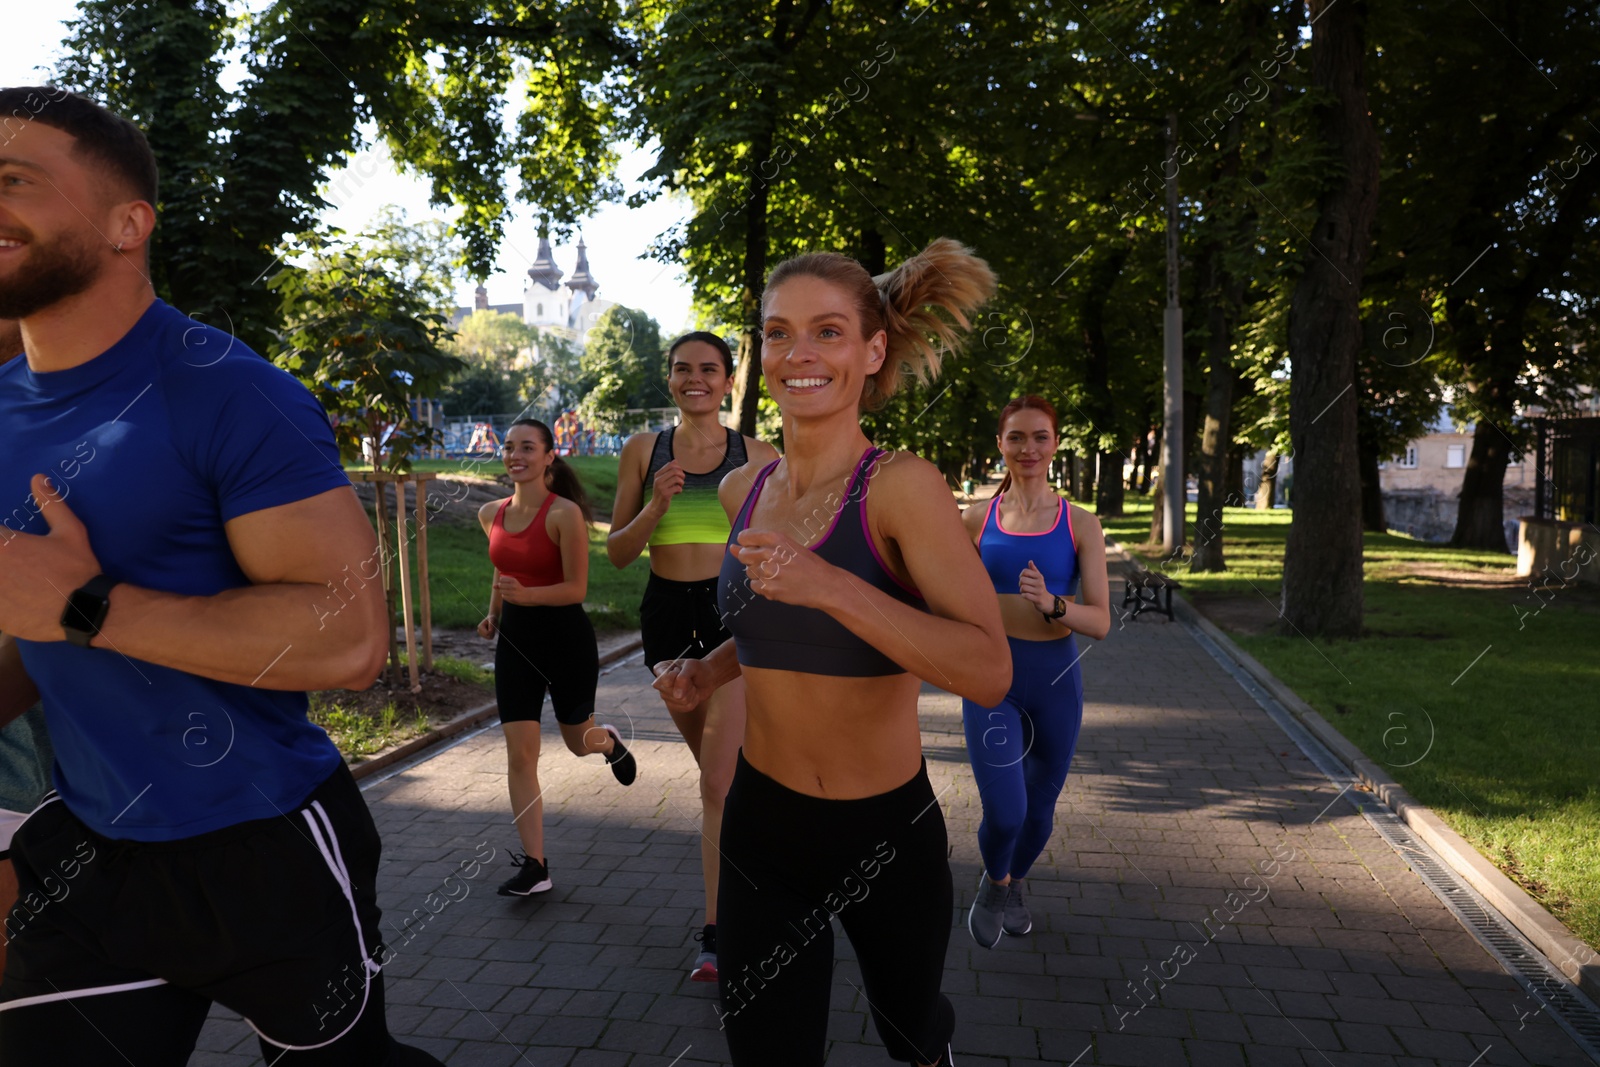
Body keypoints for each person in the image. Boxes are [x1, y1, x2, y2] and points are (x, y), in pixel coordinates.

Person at [0, 88, 444, 1064]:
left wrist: (86, 604)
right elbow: (22, 637)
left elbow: (349, 636)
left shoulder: (228, 391)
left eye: (14, 181)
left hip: (265, 841)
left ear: (128, 223)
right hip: (91, 846)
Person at [653, 239, 1010, 1066]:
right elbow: (766, 625)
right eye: (779, 334)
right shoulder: (745, 488)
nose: (799, 354)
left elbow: (988, 667)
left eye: (828, 332)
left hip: (884, 830)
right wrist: (707, 670)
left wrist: (835, 586)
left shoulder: (902, 487)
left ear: (873, 350)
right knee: (768, 1050)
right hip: (762, 823)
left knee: (911, 1030)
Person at [606, 331, 779, 981]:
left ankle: (717, 931)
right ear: (670, 379)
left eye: (709, 368)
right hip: (666, 617)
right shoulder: (642, 450)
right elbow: (619, 553)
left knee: (714, 781)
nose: (695, 378)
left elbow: (784, 541)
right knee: (722, 775)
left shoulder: (758, 455)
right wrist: (657, 504)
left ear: (729, 381)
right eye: (683, 369)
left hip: (732, 616)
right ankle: (757, 857)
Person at [959, 396, 1110, 948]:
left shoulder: (1081, 524)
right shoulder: (975, 519)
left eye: (1040, 437)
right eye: (1016, 437)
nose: (1028, 448)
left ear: (1055, 444)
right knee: (1006, 811)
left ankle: (1013, 882)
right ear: (1000, 444)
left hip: (1054, 680)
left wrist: (1054, 604)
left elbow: (1101, 622)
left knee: (1039, 812)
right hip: (991, 677)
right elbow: (937, 589)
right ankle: (994, 883)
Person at [477, 418, 636, 897]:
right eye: (509, 447)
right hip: (516, 646)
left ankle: (607, 742)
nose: (515, 454)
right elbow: (503, 572)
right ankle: (536, 866)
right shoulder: (491, 513)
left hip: (566, 641)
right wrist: (493, 613)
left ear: (549, 456)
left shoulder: (563, 513)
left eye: (527, 447)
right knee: (521, 756)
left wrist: (525, 598)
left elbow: (576, 589)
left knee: (576, 741)